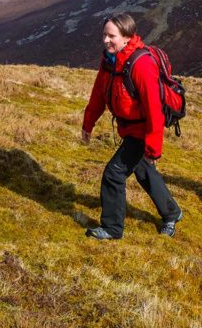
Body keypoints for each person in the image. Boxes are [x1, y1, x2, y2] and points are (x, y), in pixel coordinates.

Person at [81, 13, 182, 240]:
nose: (106, 40)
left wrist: (154, 147)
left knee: (113, 174)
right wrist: (88, 124)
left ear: (127, 37)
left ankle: (112, 228)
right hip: (128, 128)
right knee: (144, 171)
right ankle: (172, 213)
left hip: (141, 129)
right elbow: (99, 94)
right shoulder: (109, 59)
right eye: (104, 35)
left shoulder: (141, 64)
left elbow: (154, 110)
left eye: (111, 36)